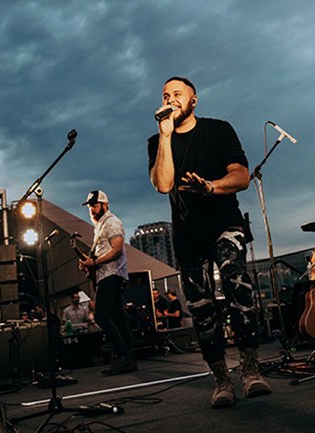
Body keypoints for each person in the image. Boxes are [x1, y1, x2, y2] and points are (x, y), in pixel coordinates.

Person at [147, 76, 271, 408]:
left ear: (194, 100)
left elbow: (242, 176)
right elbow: (163, 184)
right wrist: (165, 136)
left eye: (177, 94)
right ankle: (221, 379)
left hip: (224, 223)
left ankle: (250, 370)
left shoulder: (219, 130)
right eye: (164, 95)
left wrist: (211, 188)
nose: (170, 98)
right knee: (201, 307)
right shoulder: (157, 141)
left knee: (236, 281)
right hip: (188, 233)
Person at [78, 190, 137, 375]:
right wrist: (90, 265)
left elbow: (117, 249)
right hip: (109, 275)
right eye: (90, 207)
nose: (92, 210)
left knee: (101, 317)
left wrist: (94, 262)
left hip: (111, 275)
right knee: (118, 317)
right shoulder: (100, 226)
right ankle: (129, 359)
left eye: (95, 206)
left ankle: (122, 356)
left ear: (105, 205)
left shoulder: (111, 222)